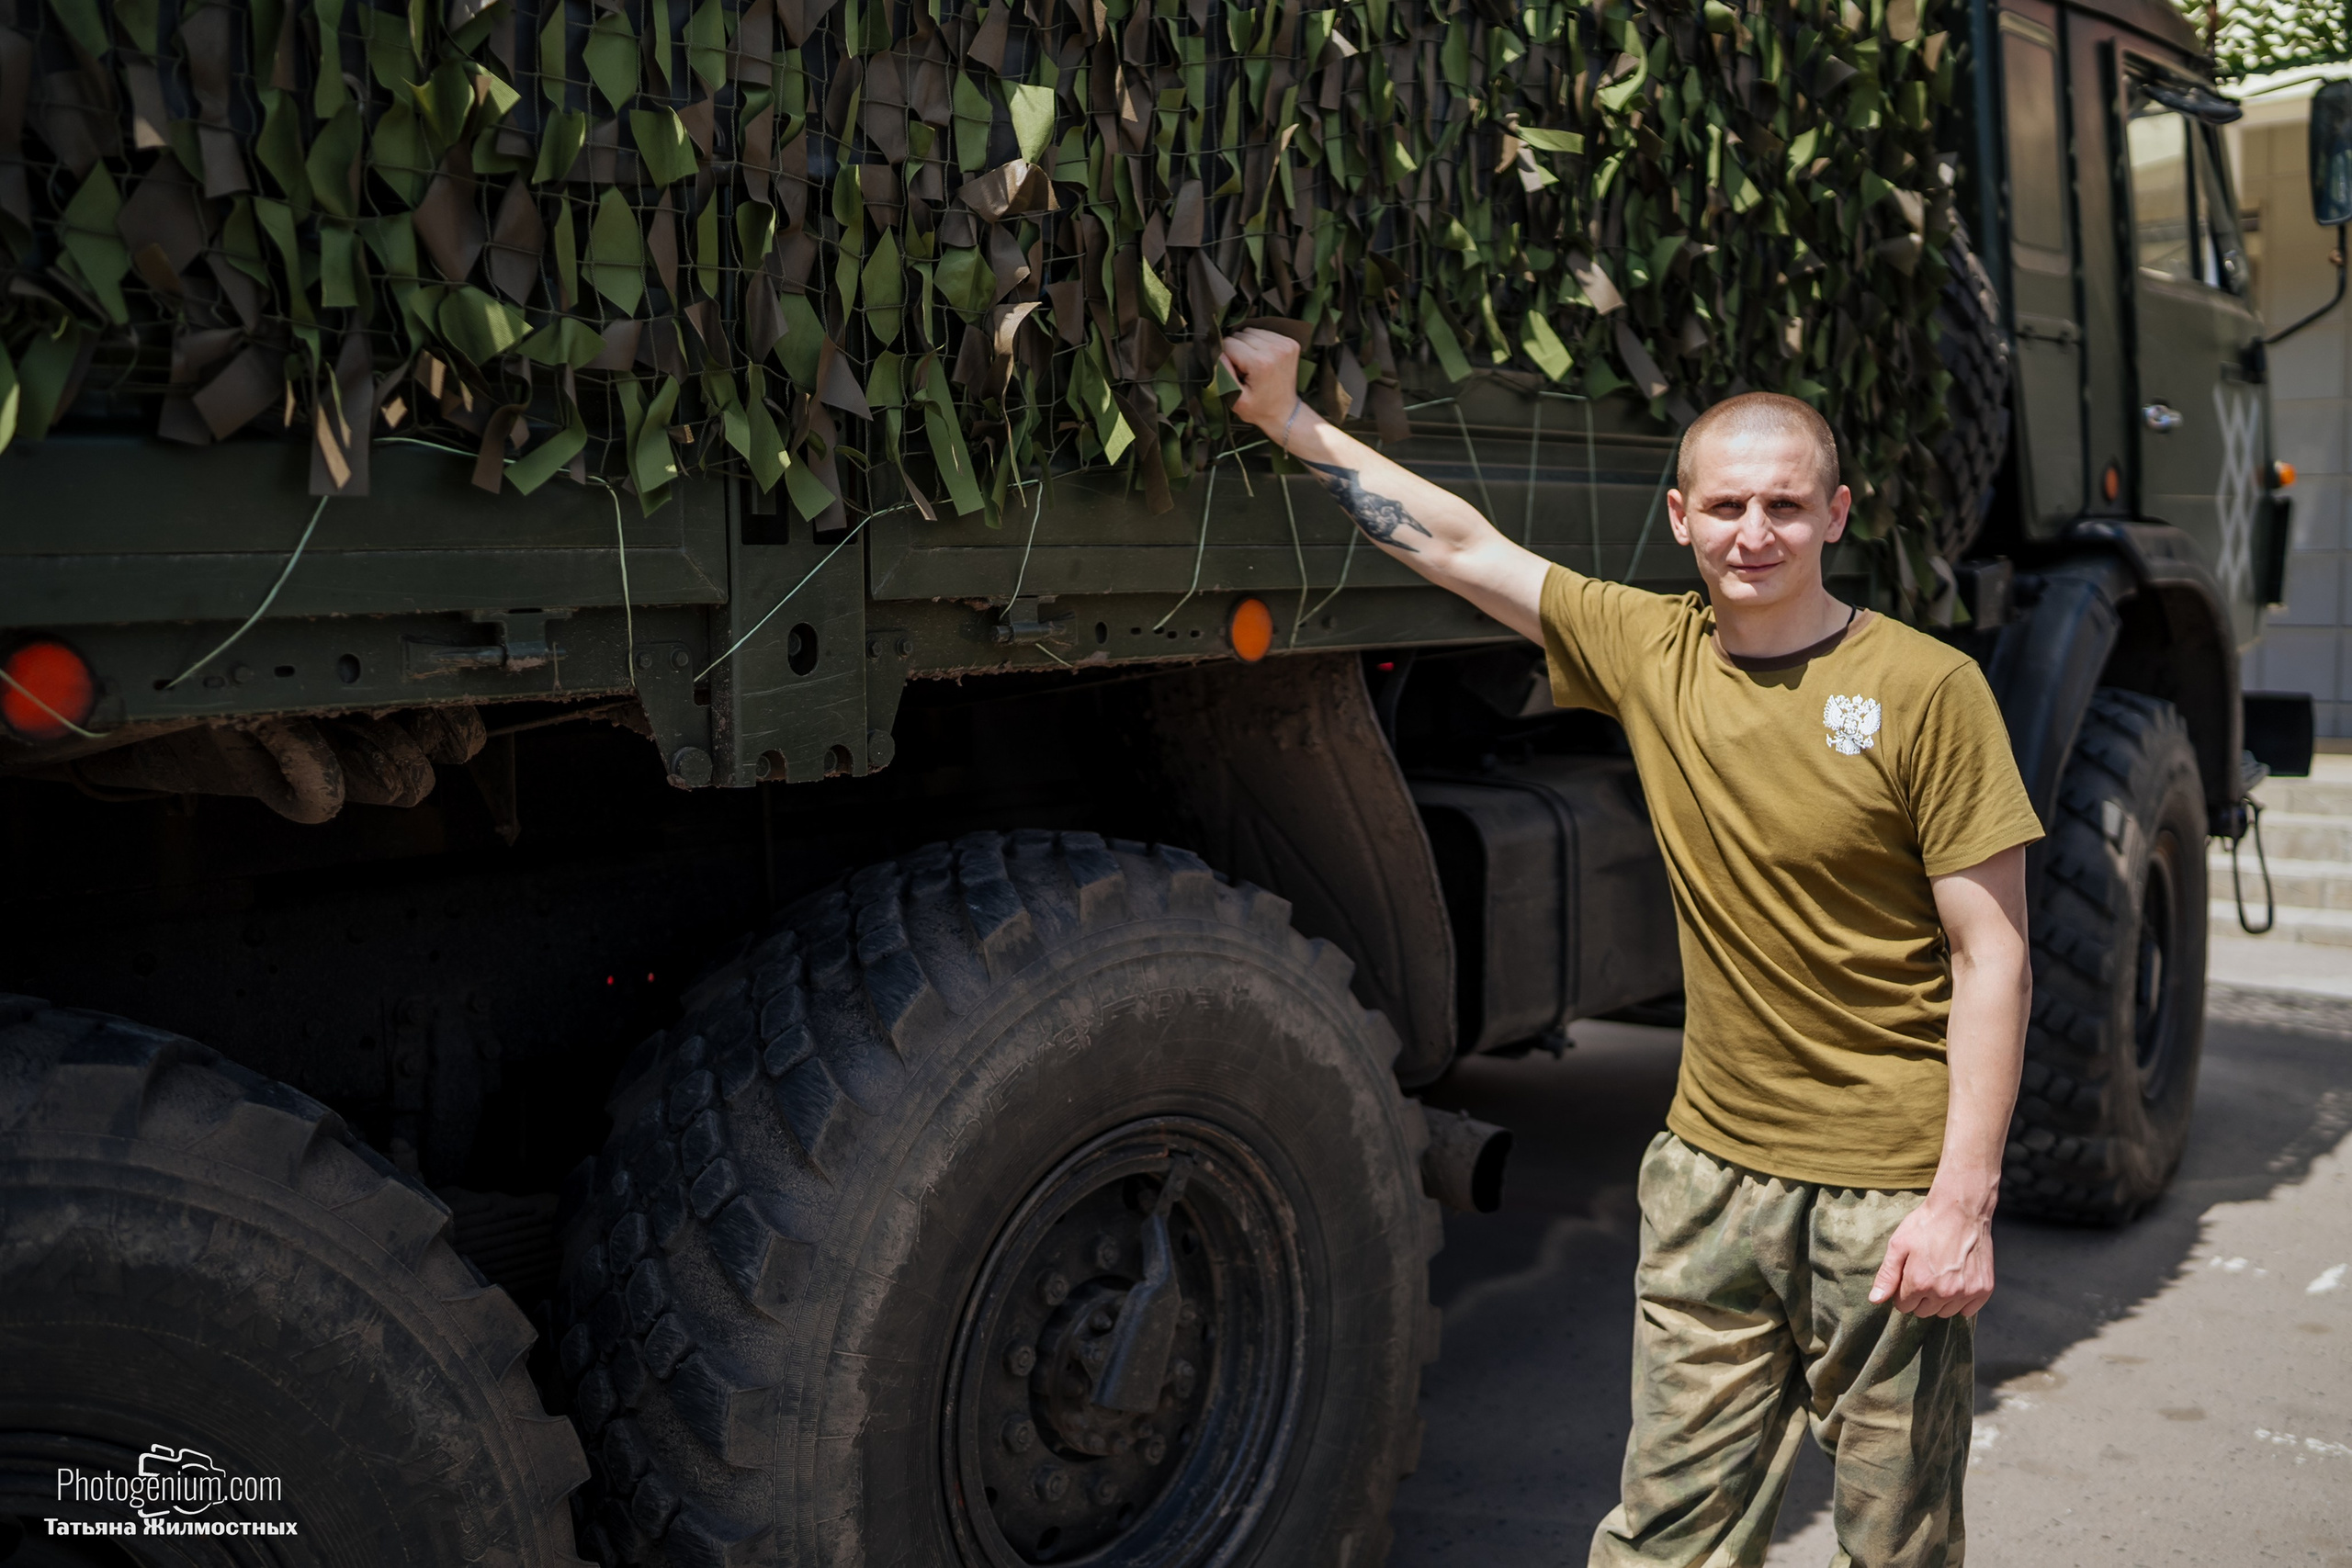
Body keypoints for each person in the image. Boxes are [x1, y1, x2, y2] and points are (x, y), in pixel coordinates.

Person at [1216, 328, 2041, 1567]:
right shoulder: (1651, 653)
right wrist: (1290, 422)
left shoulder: (1926, 690)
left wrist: (1960, 1203)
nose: (1753, 532)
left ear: (1836, 515)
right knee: (1665, 1541)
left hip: (1886, 1196)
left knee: (1898, 1546)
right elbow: (1460, 547)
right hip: (1710, 1179)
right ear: (1679, 518)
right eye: (1726, 506)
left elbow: (1994, 958)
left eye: (1784, 506)